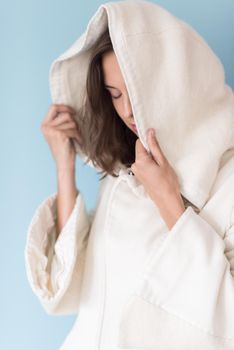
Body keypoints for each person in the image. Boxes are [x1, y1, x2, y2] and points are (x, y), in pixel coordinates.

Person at [24, 1, 234, 349]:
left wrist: (169, 201)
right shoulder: (125, 176)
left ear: (175, 80)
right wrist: (65, 164)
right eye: (114, 95)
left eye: (135, 90)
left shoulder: (226, 181)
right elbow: (71, 288)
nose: (127, 110)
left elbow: (227, 320)